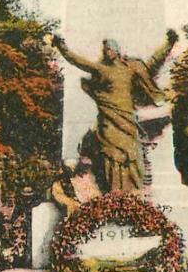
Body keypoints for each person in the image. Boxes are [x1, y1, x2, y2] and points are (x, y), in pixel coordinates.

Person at [48, 30, 178, 192]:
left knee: (131, 154)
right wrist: (62, 47)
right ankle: (114, 192)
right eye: (105, 50)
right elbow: (79, 61)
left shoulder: (131, 68)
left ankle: (132, 194)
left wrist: (169, 44)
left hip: (127, 119)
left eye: (109, 49)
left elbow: (153, 63)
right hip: (109, 120)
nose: (106, 52)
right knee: (112, 154)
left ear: (117, 51)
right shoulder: (102, 69)